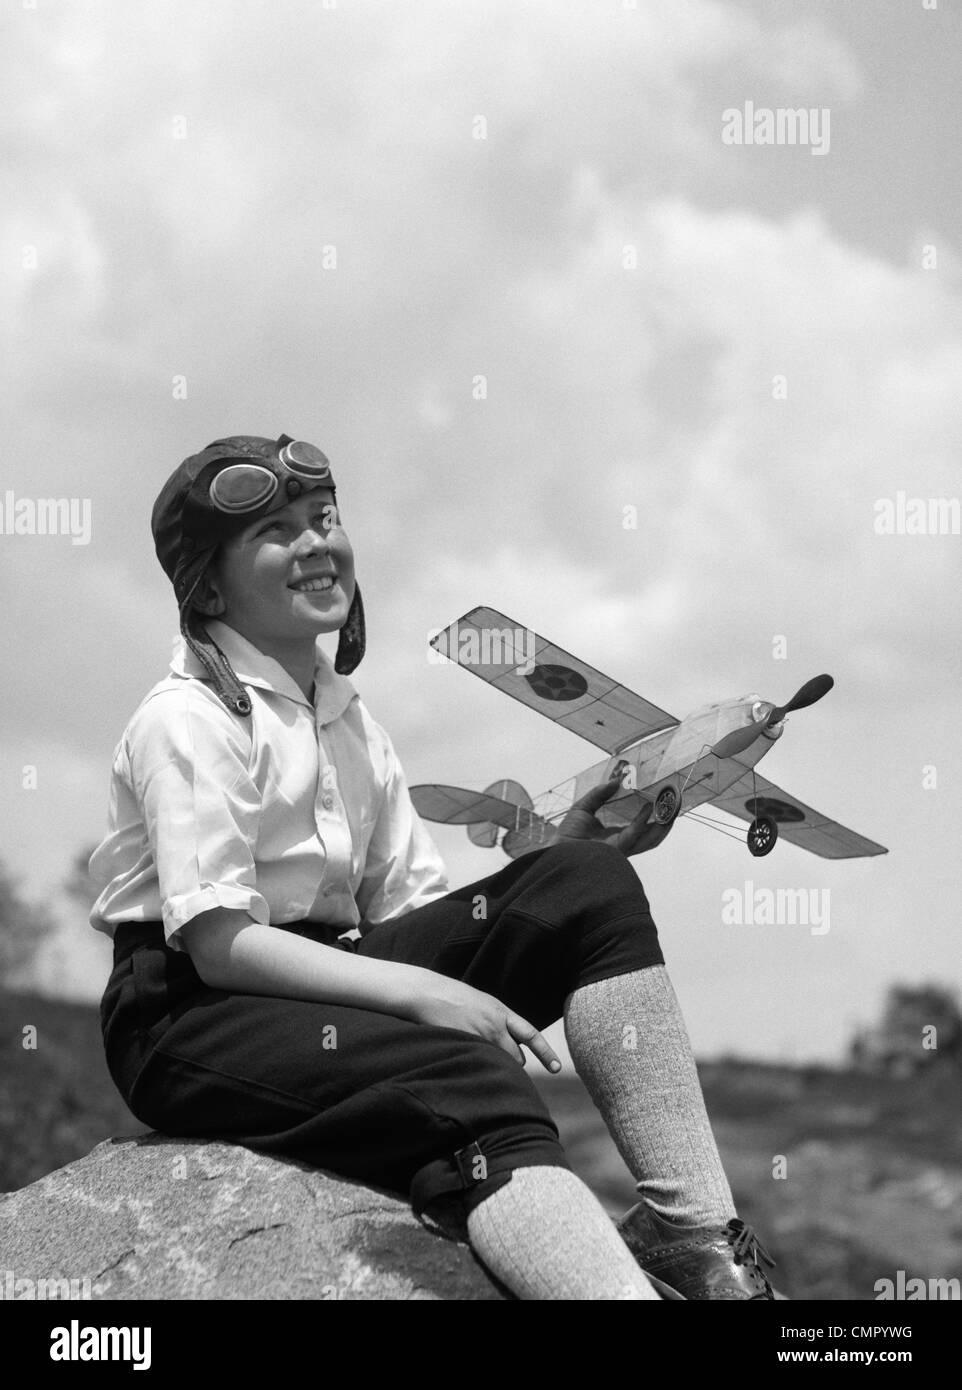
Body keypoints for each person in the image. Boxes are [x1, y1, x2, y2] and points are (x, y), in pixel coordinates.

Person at [89, 432, 779, 1300]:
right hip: (192, 1011)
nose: (316, 543)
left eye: (324, 518)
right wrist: (427, 996)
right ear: (210, 581)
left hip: (332, 967)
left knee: (585, 884)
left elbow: (421, 912)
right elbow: (222, 945)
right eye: (276, 531)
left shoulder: (348, 719)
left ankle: (691, 1233)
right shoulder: (184, 719)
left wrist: (557, 852)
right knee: (470, 1075)